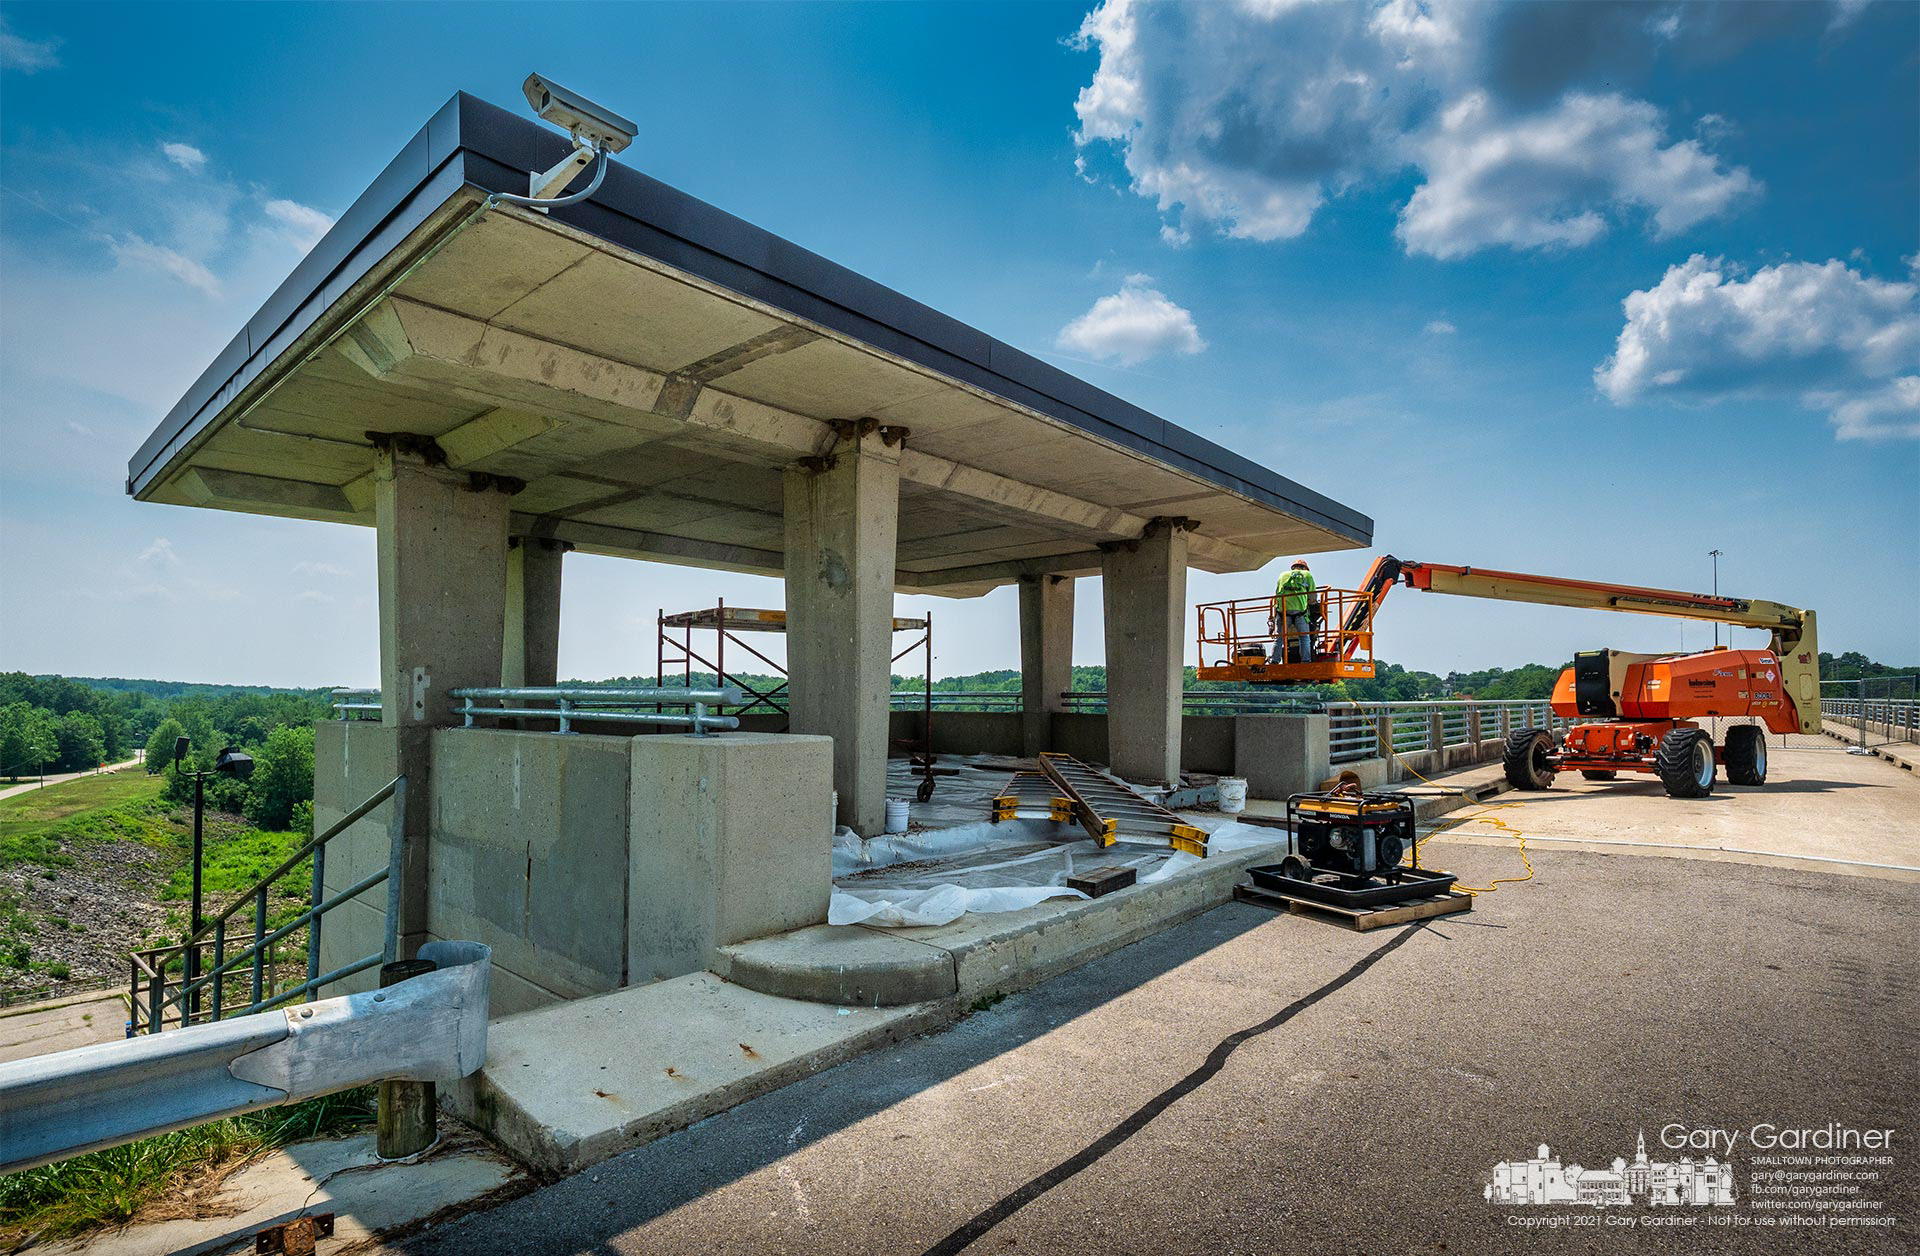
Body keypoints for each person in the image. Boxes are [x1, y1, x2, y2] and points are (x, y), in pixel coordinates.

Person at [1275, 559, 1319, 663]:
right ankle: (1306, 660)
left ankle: (1274, 661)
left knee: (1279, 638)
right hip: (1300, 612)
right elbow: (1312, 598)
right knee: (1304, 637)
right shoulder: (1307, 575)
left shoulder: (1282, 575)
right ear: (1305, 568)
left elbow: (1277, 594)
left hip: (1282, 612)